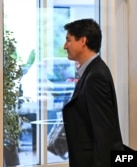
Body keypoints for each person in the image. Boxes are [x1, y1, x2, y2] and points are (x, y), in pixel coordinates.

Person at [62, 18, 124, 167]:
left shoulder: (96, 76)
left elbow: (104, 133)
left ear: (83, 41)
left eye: (68, 40)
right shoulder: (90, 71)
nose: (65, 46)